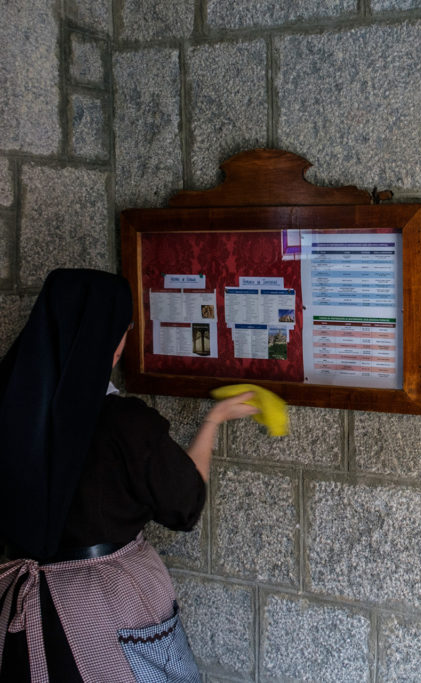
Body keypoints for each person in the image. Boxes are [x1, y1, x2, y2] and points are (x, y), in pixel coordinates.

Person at [0, 269, 258, 682]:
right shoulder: (123, 423)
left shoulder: (8, 407)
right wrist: (214, 421)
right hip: (101, 610)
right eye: (124, 329)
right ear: (110, 342)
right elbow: (184, 504)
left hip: (21, 616)